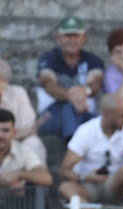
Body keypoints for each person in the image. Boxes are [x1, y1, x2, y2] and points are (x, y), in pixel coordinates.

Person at [58, 92, 123, 208]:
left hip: (114, 184)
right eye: (121, 116)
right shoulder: (86, 131)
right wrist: (86, 177)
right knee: (65, 188)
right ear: (106, 115)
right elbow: (64, 171)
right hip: (88, 184)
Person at [36, 15, 105, 144]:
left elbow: (95, 83)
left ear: (83, 37)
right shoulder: (48, 59)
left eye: (76, 36)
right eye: (68, 36)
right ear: (59, 37)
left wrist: (85, 90)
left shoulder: (92, 60)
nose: (72, 40)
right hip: (50, 115)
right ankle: (73, 146)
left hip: (82, 113)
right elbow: (49, 84)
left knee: (99, 119)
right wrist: (73, 97)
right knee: (68, 108)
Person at [0, 55, 45, 165]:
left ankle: (35, 177)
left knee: (34, 143)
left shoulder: (19, 93)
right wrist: (2, 137)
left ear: (2, 79)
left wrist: (8, 137)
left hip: (21, 139)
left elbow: (28, 124)